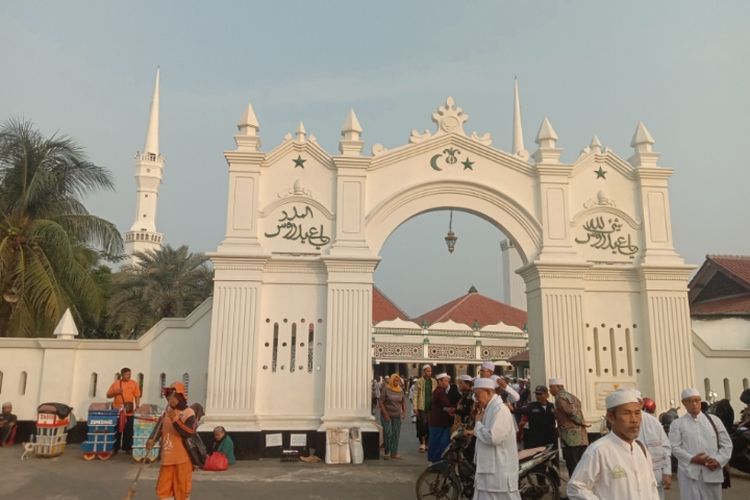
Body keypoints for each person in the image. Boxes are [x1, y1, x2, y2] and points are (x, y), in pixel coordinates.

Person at [568, 389, 659, 499]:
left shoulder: (641, 449)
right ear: (611, 417)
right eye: (627, 413)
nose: (634, 420)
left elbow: (652, 488)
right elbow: (576, 488)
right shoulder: (599, 450)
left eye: (637, 413)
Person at [669, 388, 732, 500]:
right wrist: (693, 459)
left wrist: (718, 461)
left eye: (697, 400)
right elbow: (675, 447)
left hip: (712, 471)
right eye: (690, 401)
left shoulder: (714, 420)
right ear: (684, 403)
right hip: (689, 473)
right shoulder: (677, 424)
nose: (694, 404)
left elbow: (727, 444)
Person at [466, 377, 520, 500]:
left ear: (489, 392)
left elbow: (494, 438)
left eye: (478, 395)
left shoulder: (500, 410)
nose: (476, 399)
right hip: (488, 475)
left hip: (499, 474)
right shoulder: (489, 409)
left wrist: (478, 425)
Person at [147, 382, 196, 500]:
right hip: (167, 458)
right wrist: (151, 439)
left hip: (182, 459)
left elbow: (188, 432)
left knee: (182, 491)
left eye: (173, 397)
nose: (171, 400)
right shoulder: (166, 414)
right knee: (163, 491)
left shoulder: (189, 413)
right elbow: (158, 429)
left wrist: (175, 418)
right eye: (169, 397)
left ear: (180, 396)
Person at [549, 377, 589, 476]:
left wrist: (580, 422)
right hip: (579, 437)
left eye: (551, 387)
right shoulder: (570, 396)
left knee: (573, 465)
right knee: (581, 465)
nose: (550, 390)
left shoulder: (560, 397)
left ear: (558, 387)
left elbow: (571, 412)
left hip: (571, 439)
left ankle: (575, 489)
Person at [638, 396, 672, 500]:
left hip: (655, 475)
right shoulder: (620, 424)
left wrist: (667, 471)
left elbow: (665, 447)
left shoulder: (653, 422)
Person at [107, 367, 141, 453]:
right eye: (126, 374)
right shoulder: (116, 384)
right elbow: (108, 395)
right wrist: (116, 392)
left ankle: (127, 448)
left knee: (128, 430)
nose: (128, 376)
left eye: (129, 374)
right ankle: (115, 448)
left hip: (129, 411)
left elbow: (137, 395)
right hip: (117, 411)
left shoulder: (134, 384)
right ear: (122, 375)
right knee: (117, 429)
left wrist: (137, 405)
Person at [428, 373, 456, 463]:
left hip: (438, 421)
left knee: (436, 442)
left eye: (447, 381)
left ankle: (434, 461)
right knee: (440, 443)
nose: (447, 383)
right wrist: (457, 407)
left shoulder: (440, 391)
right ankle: (437, 462)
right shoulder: (440, 392)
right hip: (439, 422)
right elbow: (447, 404)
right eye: (444, 381)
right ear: (439, 381)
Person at [518, 385, 556, 450]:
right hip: (536, 442)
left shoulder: (552, 406)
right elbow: (518, 410)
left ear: (547, 395)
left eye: (540, 394)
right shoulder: (531, 406)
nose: (538, 396)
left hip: (549, 439)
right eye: (536, 394)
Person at [379, 372, 407, 460]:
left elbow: (403, 402)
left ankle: (394, 453)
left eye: (398, 380)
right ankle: (387, 452)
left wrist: (403, 412)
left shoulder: (400, 390)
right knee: (388, 433)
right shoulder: (386, 389)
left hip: (397, 415)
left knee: (396, 434)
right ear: (391, 380)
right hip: (386, 414)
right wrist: (385, 414)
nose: (396, 382)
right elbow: (381, 402)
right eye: (395, 380)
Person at [413, 365, 437, 453]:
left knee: (429, 425)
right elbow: (415, 394)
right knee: (422, 425)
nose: (429, 373)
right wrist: (415, 407)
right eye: (427, 371)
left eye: (430, 371)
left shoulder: (434, 381)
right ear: (424, 372)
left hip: (431, 407)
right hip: (421, 407)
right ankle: (421, 443)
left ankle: (427, 443)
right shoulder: (419, 381)